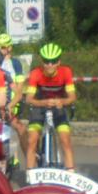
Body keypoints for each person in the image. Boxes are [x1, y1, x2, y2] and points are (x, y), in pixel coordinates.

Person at [23, 43, 78, 171]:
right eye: (46, 61)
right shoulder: (35, 73)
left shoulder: (66, 72)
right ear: (42, 62)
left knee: (65, 140)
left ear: (59, 62)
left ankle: (71, 171)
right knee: (32, 140)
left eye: (53, 61)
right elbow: (29, 99)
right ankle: (30, 174)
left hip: (59, 107)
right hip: (39, 106)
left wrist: (62, 102)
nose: (49, 65)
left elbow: (72, 97)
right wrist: (44, 103)